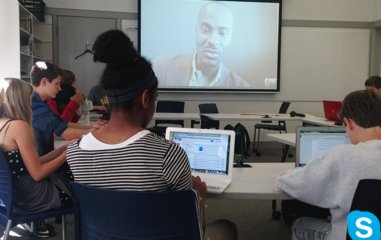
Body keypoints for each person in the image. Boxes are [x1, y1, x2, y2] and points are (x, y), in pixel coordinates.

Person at [66, 29, 238, 240]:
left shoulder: (75, 152)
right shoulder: (168, 155)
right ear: (146, 98)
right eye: (156, 98)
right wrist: (199, 197)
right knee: (228, 227)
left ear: (108, 99)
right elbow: (195, 232)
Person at [275, 89, 381, 240]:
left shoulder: (342, 156)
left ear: (348, 123)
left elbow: (289, 183)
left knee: (299, 223)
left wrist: (284, 174)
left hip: (350, 236)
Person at [0, 78, 74, 238]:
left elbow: (30, 164)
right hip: (29, 198)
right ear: (21, 100)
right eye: (29, 98)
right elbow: (38, 173)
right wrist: (67, 155)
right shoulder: (19, 126)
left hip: (9, 198)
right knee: (78, 183)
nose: (31, 102)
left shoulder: (4, 125)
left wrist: (61, 149)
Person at [153, 2, 249, 88]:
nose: (213, 41)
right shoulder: (160, 67)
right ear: (196, 30)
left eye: (222, 33)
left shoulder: (241, 85)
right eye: (205, 30)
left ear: (230, 37)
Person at [30, 61, 106, 157]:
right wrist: (99, 132)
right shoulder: (35, 106)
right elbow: (66, 134)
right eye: (56, 83)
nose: (60, 88)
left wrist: (93, 128)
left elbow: (62, 122)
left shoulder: (41, 102)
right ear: (44, 82)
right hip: (41, 159)